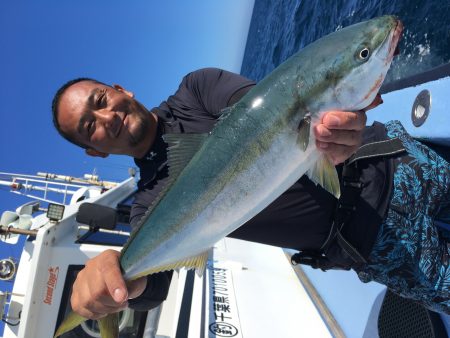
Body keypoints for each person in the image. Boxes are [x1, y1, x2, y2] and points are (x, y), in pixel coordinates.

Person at [52, 68, 450, 318]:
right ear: (96, 151)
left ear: (121, 89)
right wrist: (119, 285)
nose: (108, 117)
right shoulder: (147, 205)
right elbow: (153, 287)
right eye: (91, 127)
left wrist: (334, 124)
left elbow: (283, 106)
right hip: (374, 245)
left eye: (101, 101)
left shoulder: (196, 90)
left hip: (396, 163)